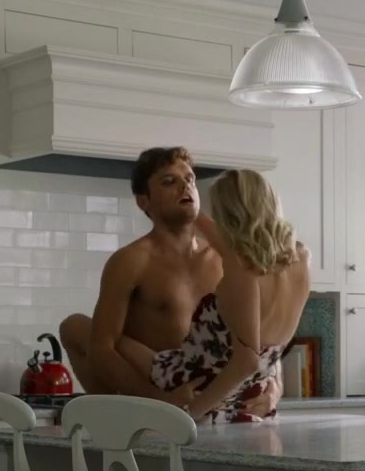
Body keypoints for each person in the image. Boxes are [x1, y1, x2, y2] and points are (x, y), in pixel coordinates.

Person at [57, 146, 281, 415]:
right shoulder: (131, 261)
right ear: (144, 201)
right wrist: (159, 399)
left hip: (220, 393)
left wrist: (275, 388)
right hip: (163, 387)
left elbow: (262, 331)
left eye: (190, 179)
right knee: (74, 326)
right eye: (169, 181)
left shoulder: (226, 259)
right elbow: (102, 350)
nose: (185, 186)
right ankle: (111, 416)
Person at [150, 168, 311, 423]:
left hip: (206, 395)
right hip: (251, 402)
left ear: (228, 215)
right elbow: (268, 349)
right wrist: (189, 202)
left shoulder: (242, 268)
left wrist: (186, 417)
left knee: (105, 340)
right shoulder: (300, 257)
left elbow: (247, 362)